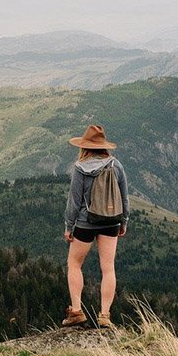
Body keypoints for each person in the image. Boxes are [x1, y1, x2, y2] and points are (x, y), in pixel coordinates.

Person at [62, 124, 128, 328]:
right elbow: (124, 197)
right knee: (108, 268)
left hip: (85, 222)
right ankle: (105, 315)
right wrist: (123, 221)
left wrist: (69, 226)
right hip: (110, 221)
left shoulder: (80, 168)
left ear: (85, 146)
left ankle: (76, 311)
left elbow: (74, 201)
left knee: (74, 264)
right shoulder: (115, 165)